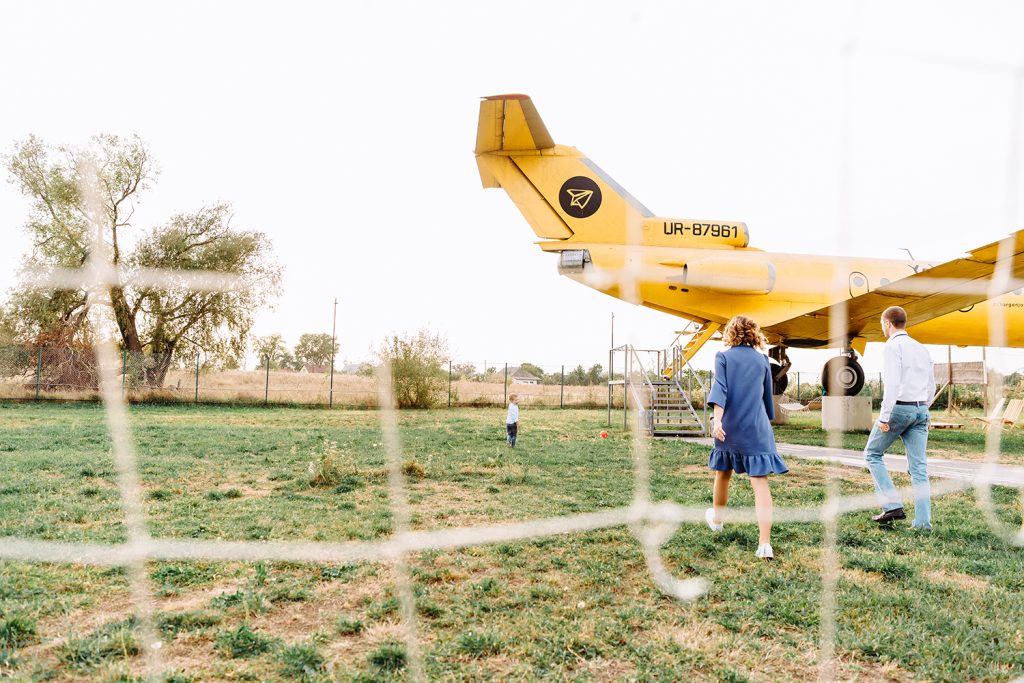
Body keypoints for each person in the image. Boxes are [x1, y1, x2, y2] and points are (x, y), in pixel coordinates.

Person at [705, 315, 788, 560]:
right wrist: (766, 419)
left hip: (729, 426)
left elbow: (720, 390)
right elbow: (766, 398)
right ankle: (765, 544)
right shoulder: (763, 360)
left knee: (723, 474)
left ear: (730, 333)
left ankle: (717, 521)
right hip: (757, 428)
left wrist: (717, 421)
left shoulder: (722, 357)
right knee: (759, 482)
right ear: (754, 333)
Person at [863, 305, 935, 530]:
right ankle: (923, 523)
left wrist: (884, 417)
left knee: (872, 454)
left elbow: (892, 385)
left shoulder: (892, 347)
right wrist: (924, 409)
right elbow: (931, 385)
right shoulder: (921, 348)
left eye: (882, 324)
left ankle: (892, 505)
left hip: (899, 409)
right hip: (920, 410)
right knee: (919, 467)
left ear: (887, 323)